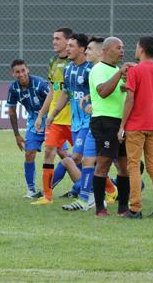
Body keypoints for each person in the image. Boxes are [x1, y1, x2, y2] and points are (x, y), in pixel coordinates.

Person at [118, 36, 153, 219]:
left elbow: (131, 99)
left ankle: (135, 208)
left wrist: (122, 126)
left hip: (136, 125)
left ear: (141, 49)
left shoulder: (135, 71)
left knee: (133, 165)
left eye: (137, 46)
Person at [45, 33, 94, 211]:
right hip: (76, 123)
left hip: (90, 122)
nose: (68, 49)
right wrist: (53, 114)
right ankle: (99, 191)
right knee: (86, 160)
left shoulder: (91, 69)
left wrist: (92, 103)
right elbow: (66, 94)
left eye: (71, 46)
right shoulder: (69, 69)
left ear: (82, 49)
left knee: (74, 158)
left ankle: (85, 195)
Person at [87, 37, 134, 216]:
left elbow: (123, 90)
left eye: (123, 47)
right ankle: (100, 208)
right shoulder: (98, 69)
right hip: (104, 121)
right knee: (104, 163)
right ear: (105, 50)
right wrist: (119, 74)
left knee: (124, 166)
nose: (122, 50)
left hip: (120, 122)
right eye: (118, 47)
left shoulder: (117, 70)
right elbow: (103, 92)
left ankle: (123, 208)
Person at [32, 28, 76, 205]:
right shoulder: (52, 62)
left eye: (58, 38)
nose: (54, 41)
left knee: (86, 157)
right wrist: (42, 115)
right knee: (49, 152)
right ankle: (47, 196)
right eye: (53, 38)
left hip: (74, 120)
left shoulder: (75, 64)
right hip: (54, 119)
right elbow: (52, 91)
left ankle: (110, 189)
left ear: (68, 41)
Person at [6, 59, 49, 198]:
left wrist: (47, 118)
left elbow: (53, 99)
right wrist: (17, 135)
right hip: (32, 124)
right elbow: (12, 111)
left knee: (63, 154)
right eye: (17, 72)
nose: (21, 74)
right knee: (29, 153)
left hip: (50, 121)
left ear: (28, 70)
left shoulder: (40, 84)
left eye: (23, 70)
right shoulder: (13, 89)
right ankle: (31, 190)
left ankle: (77, 187)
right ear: (13, 74)